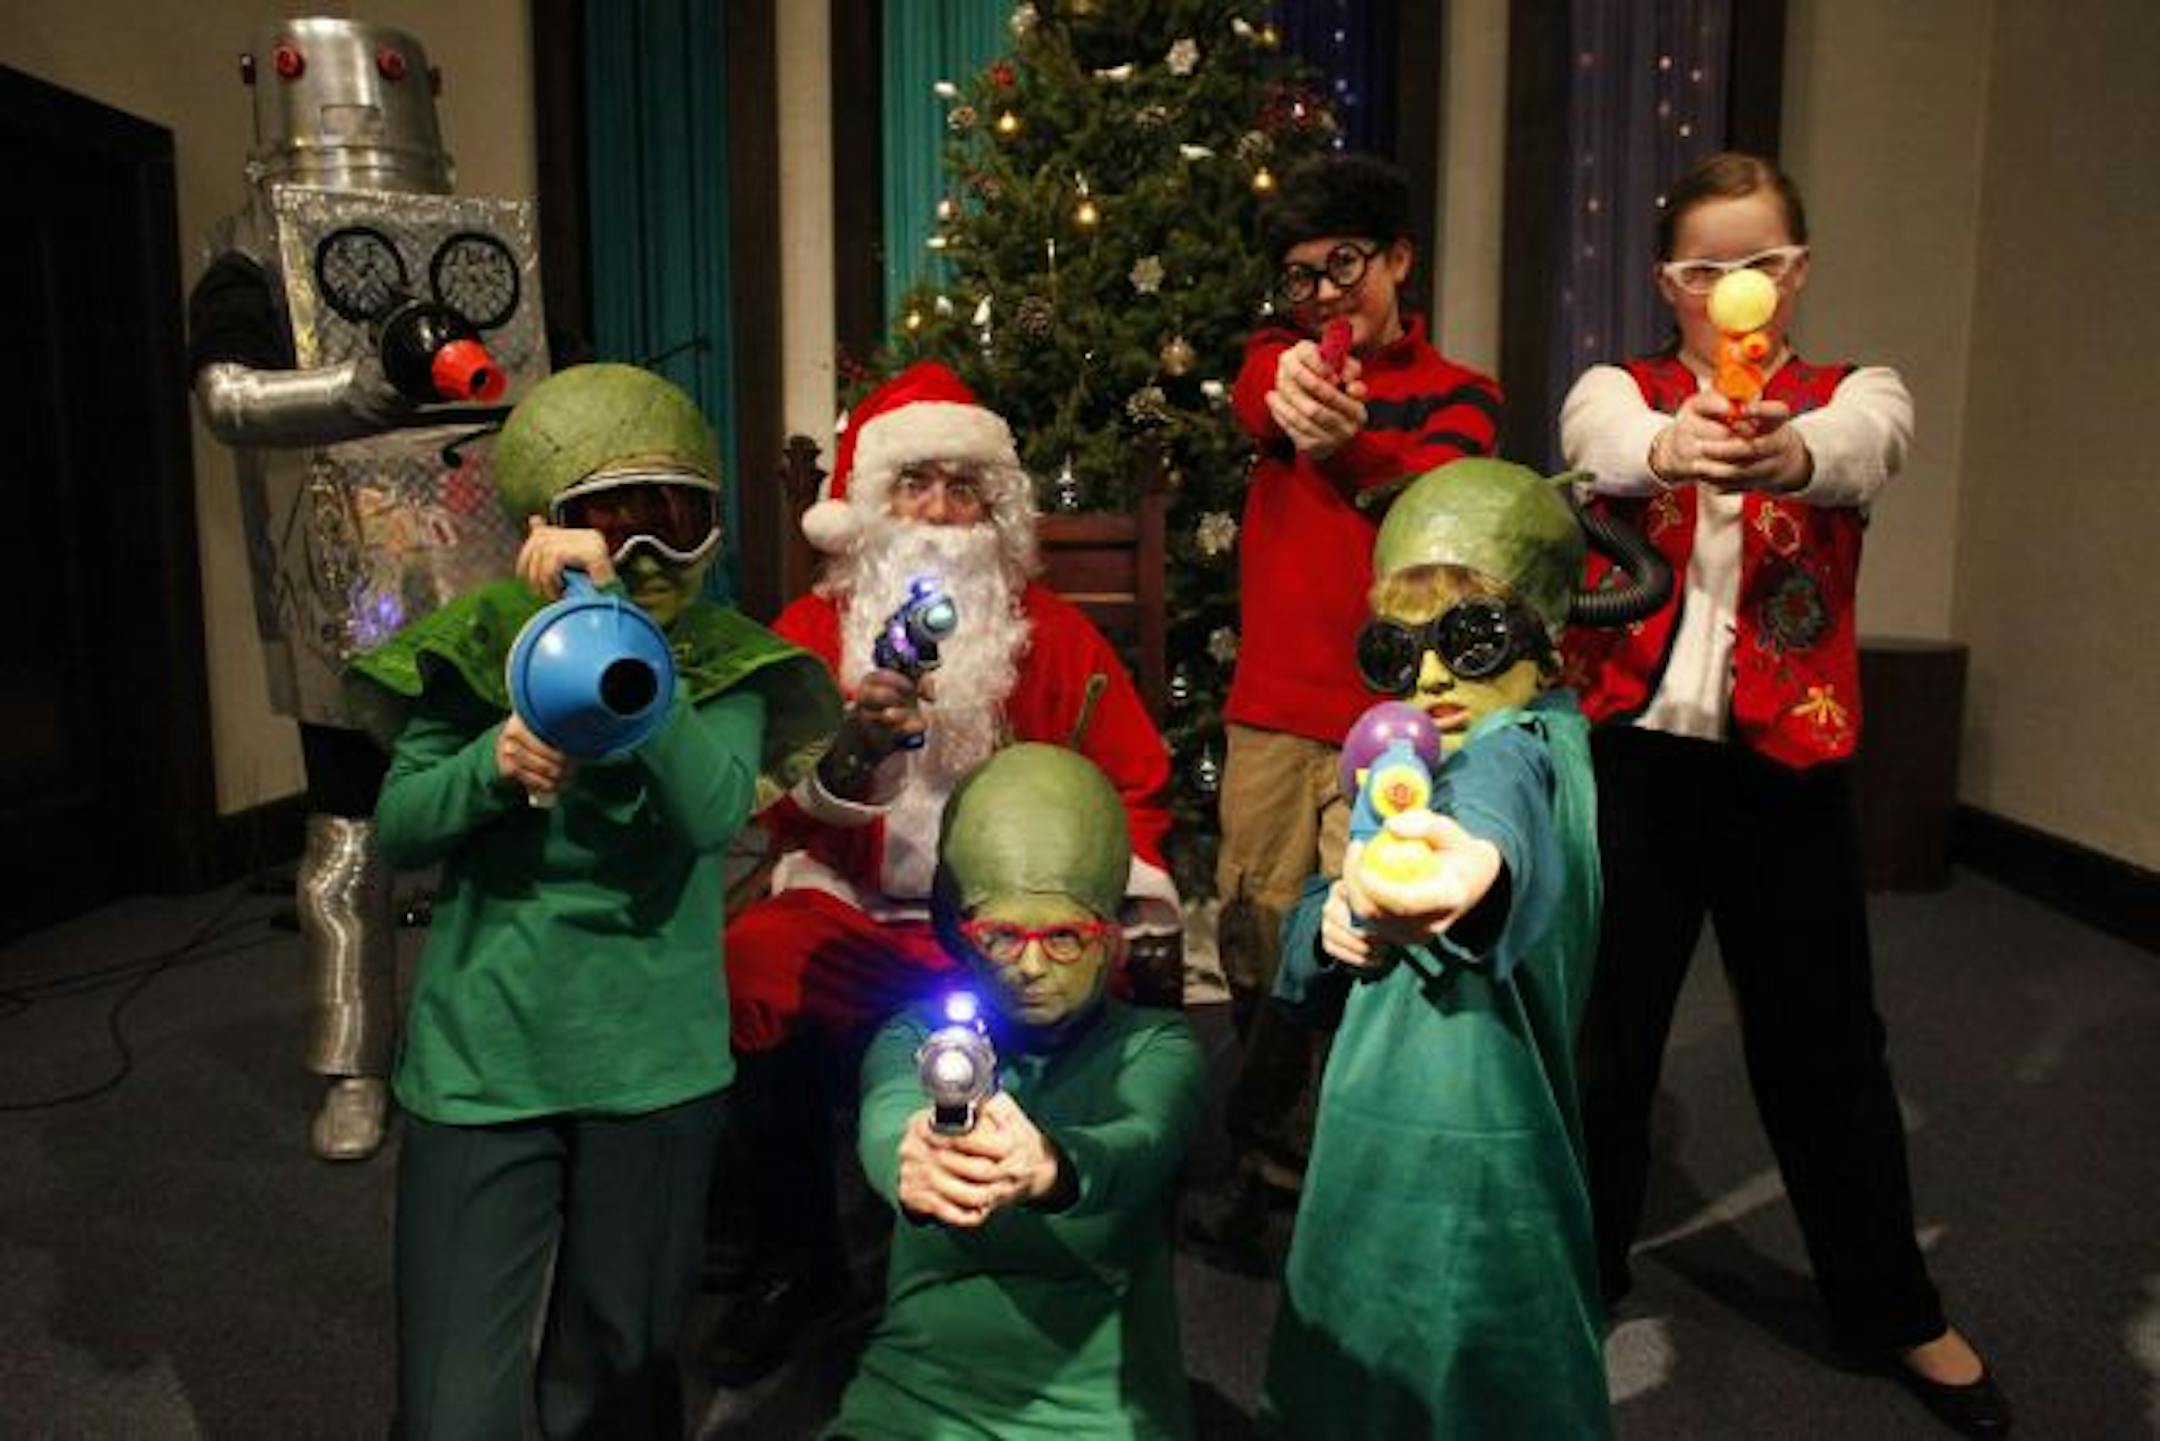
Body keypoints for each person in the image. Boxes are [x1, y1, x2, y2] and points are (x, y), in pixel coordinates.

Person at [1559, 151, 2009, 1437]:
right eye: (1706, 269)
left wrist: (1790, 448)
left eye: (1758, 263)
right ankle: (1579, 1277)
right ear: (1669, 281)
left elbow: (1869, 448)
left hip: (1787, 766)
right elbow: (1594, 437)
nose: (1732, 289)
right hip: (1631, 761)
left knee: (1825, 1047)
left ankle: (1891, 1306)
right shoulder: (1623, 388)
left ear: (1795, 271)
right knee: (1606, 1041)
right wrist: (1668, 442)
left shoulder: (1850, 391)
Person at [345, 364, 840, 1438]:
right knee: (450, 1399)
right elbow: (401, 828)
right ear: (543, 524)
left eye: (675, 518)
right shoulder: (476, 644)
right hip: (487, 1053)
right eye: (615, 526)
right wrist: (492, 759)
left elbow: (713, 810)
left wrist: (614, 632)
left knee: (617, 1378)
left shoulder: (728, 660)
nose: (650, 555)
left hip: (651, 1061)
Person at [706, 360, 1181, 1381]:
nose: (940, 510)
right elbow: (770, 800)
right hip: (856, 917)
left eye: (965, 487)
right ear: (870, 506)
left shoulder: (1051, 635)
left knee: (1087, 978)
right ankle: (798, 1261)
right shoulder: (808, 635)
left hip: (1007, 933)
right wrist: (855, 749)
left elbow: (1134, 782)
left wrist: (1111, 905)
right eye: (914, 481)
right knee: (751, 965)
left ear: (996, 510)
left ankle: (1046, 1233)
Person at [187, 17, 549, 1160]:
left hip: (487, 581)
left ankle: (511, 1039)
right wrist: (364, 387)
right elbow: (231, 400)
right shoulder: (250, 252)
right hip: (342, 588)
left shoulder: (479, 248)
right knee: (350, 838)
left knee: (513, 812)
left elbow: (542, 393)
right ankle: (353, 1062)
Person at [1262, 457, 1667, 1439]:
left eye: (1472, 640)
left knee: (1482, 1368)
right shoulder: (1416, 762)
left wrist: (1462, 872)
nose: (1433, 677)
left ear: (1547, 644)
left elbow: (1499, 823)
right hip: (1371, 1130)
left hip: (1474, 1147)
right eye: (1398, 654)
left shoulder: (1520, 747)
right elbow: (1323, 933)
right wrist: (1325, 921)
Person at [1195, 150, 1504, 1255]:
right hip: (1273, 709)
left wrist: (1356, 447)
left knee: (1364, 933)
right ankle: (1269, 1158)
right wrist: (1296, 395)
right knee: (1255, 924)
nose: (1325, 295)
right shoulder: (1277, 364)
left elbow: (1445, 494)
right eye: (1299, 276)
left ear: (1399, 260)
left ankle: (1353, 1165)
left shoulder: (1464, 391)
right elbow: (1257, 395)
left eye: (1345, 266)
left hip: (1395, 714)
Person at [829, 744, 1204, 1440]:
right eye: (1001, 935)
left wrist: (1055, 1166)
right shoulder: (917, 1034)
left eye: (1064, 935)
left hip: (1095, 1406)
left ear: (1111, 940)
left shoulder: (1157, 1045)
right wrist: (909, 1163)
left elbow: (1141, 1138)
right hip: (919, 1391)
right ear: (963, 936)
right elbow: (888, 1121)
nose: (1031, 964)